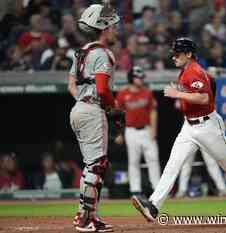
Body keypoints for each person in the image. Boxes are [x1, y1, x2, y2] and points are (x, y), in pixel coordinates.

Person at [131, 37, 226, 222]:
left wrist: (178, 94)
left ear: (188, 54)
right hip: (189, 126)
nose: (173, 58)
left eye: (177, 54)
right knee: (173, 165)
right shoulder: (189, 70)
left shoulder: (193, 71)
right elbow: (211, 83)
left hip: (207, 126)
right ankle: (154, 206)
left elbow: (203, 98)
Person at [67, 3, 121, 232]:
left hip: (79, 108)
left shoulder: (82, 52)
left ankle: (88, 215)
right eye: (113, 27)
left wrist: (84, 99)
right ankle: (85, 218)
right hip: (92, 109)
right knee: (97, 165)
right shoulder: (103, 54)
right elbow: (101, 89)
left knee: (92, 165)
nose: (115, 30)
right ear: (105, 28)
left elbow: (71, 85)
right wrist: (114, 108)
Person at [115, 66, 160, 196]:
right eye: (138, 77)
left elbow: (153, 111)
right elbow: (119, 115)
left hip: (146, 130)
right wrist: (119, 133)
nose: (141, 79)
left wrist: (153, 129)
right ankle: (135, 190)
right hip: (131, 131)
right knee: (133, 161)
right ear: (131, 78)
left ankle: (157, 188)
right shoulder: (123, 93)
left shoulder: (147, 92)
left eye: (141, 77)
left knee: (153, 159)